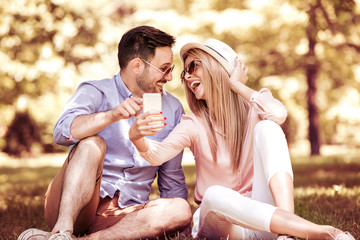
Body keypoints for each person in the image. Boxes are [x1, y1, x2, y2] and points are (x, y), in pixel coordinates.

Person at [129, 38, 356, 240]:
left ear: (217, 68)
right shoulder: (194, 124)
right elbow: (156, 154)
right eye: (184, 73)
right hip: (224, 225)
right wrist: (136, 136)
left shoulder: (255, 109)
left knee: (269, 127)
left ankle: (287, 233)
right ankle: (324, 232)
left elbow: (278, 114)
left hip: (266, 221)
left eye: (193, 66)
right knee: (215, 195)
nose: (187, 76)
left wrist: (237, 86)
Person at [18, 26, 192, 240]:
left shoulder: (173, 109)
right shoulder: (96, 91)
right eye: (164, 69)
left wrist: (181, 230)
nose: (170, 77)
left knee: (181, 209)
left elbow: (171, 177)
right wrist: (111, 115)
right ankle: (62, 231)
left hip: (125, 214)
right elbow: (61, 132)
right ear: (137, 65)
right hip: (72, 206)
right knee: (92, 143)